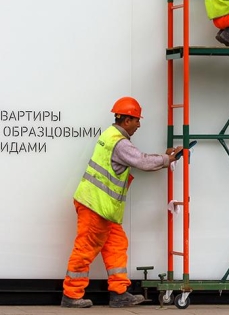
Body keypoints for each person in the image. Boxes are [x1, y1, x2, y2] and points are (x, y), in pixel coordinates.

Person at [61, 96, 182, 308]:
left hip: (103, 208)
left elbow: (137, 159)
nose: (139, 124)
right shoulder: (120, 141)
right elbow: (141, 161)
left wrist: (163, 158)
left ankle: (119, 293)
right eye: (136, 120)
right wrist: (167, 160)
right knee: (86, 248)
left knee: (117, 245)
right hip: (95, 206)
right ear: (126, 120)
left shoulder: (112, 136)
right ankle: (71, 294)